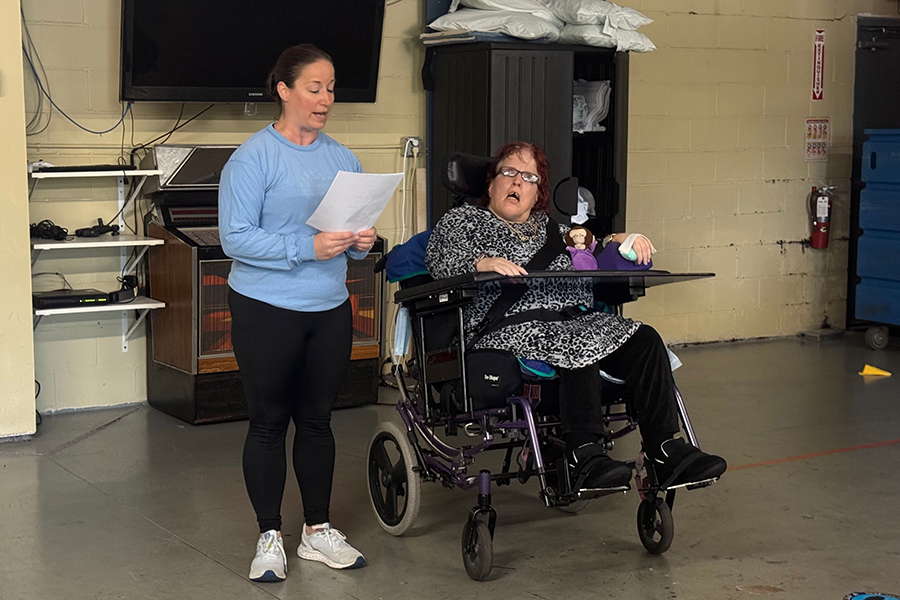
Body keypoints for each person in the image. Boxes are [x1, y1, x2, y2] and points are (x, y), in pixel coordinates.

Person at [424, 141, 726, 493]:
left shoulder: (553, 229)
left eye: (528, 177)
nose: (517, 182)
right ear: (490, 184)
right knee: (576, 341)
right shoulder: (463, 221)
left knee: (645, 339)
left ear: (538, 193)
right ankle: (583, 455)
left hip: (573, 319)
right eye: (508, 173)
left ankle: (665, 450)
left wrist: (622, 239)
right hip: (509, 329)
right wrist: (482, 263)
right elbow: (439, 257)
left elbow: (593, 244)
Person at [219, 44, 373, 582]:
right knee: (267, 424)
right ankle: (268, 536)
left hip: (328, 308)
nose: (326, 98)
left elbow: (350, 242)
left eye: (331, 88)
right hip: (266, 308)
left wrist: (360, 241)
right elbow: (234, 238)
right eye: (314, 87)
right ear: (283, 90)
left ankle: (316, 531)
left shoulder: (342, 158)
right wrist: (306, 249)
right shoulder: (253, 157)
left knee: (317, 422)